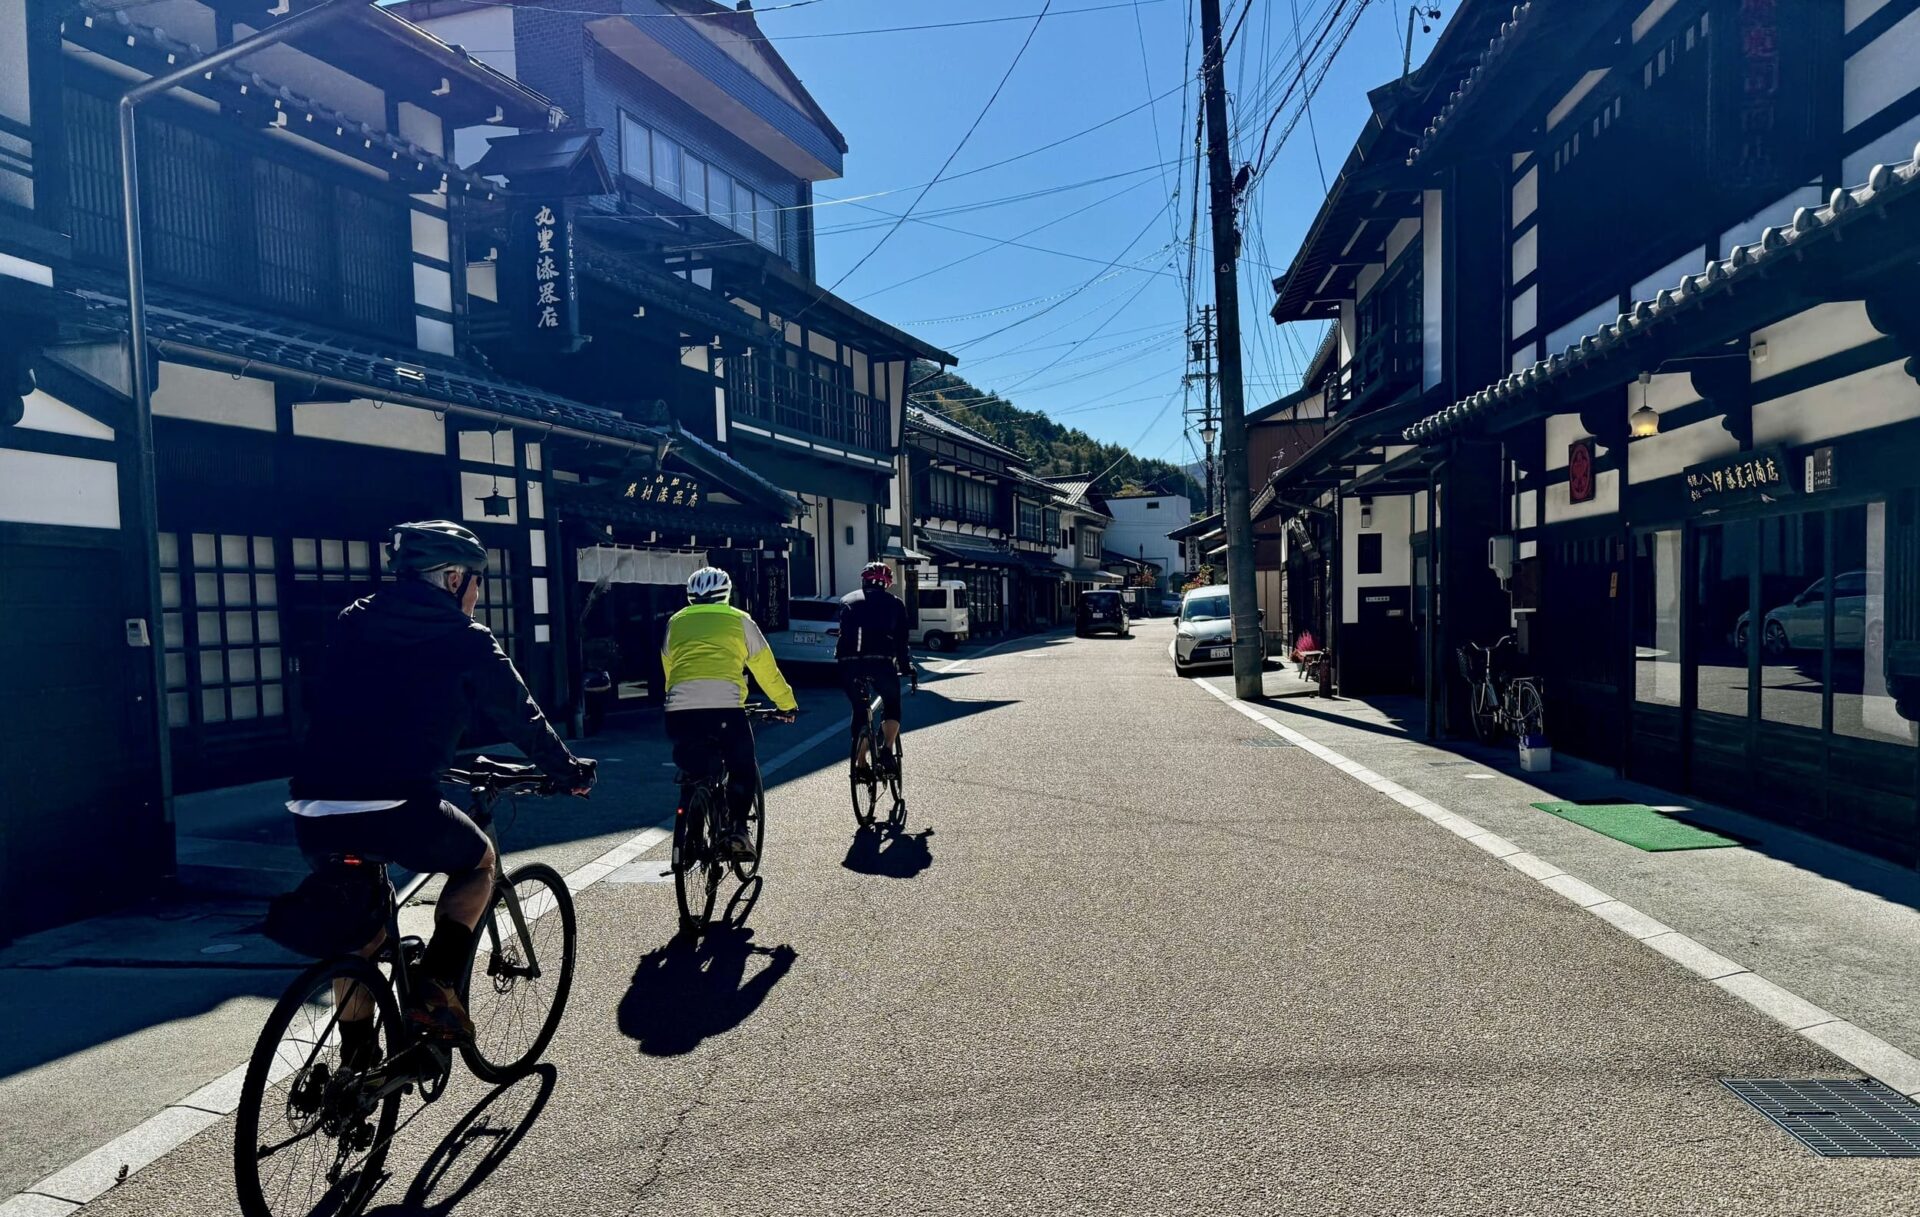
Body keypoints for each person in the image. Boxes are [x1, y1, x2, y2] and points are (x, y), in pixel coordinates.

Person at [287, 521, 595, 1046]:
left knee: (359, 935)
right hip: (397, 804)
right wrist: (568, 772)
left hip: (313, 805)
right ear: (454, 579)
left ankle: (357, 1066)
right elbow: (519, 715)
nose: (477, 594)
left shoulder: (353, 618)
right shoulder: (465, 638)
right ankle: (435, 987)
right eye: (476, 581)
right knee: (478, 863)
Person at [660, 566, 797, 862]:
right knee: (741, 765)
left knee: (694, 767)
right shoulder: (740, 620)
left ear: (691, 596)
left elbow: (669, 668)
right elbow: (765, 669)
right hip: (725, 708)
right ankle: (737, 830)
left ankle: (692, 827)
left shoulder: (676, 621)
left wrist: (676, 700)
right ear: (727, 594)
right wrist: (786, 704)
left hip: (680, 710)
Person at [837, 561, 916, 780]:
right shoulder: (895, 604)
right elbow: (901, 640)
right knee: (891, 703)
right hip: (881, 662)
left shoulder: (846, 600)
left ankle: (861, 765)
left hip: (849, 663)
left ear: (864, 580)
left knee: (860, 709)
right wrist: (906, 665)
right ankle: (887, 751)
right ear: (887, 584)